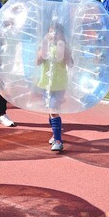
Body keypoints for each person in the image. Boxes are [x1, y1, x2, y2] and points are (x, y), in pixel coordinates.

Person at [36, 22, 73, 151]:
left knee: (53, 109)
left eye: (57, 32)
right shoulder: (45, 46)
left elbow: (71, 64)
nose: (54, 34)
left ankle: (58, 140)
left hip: (59, 84)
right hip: (46, 84)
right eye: (51, 32)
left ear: (62, 34)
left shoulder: (63, 48)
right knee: (50, 110)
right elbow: (38, 61)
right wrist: (42, 50)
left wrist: (67, 55)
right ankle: (55, 133)